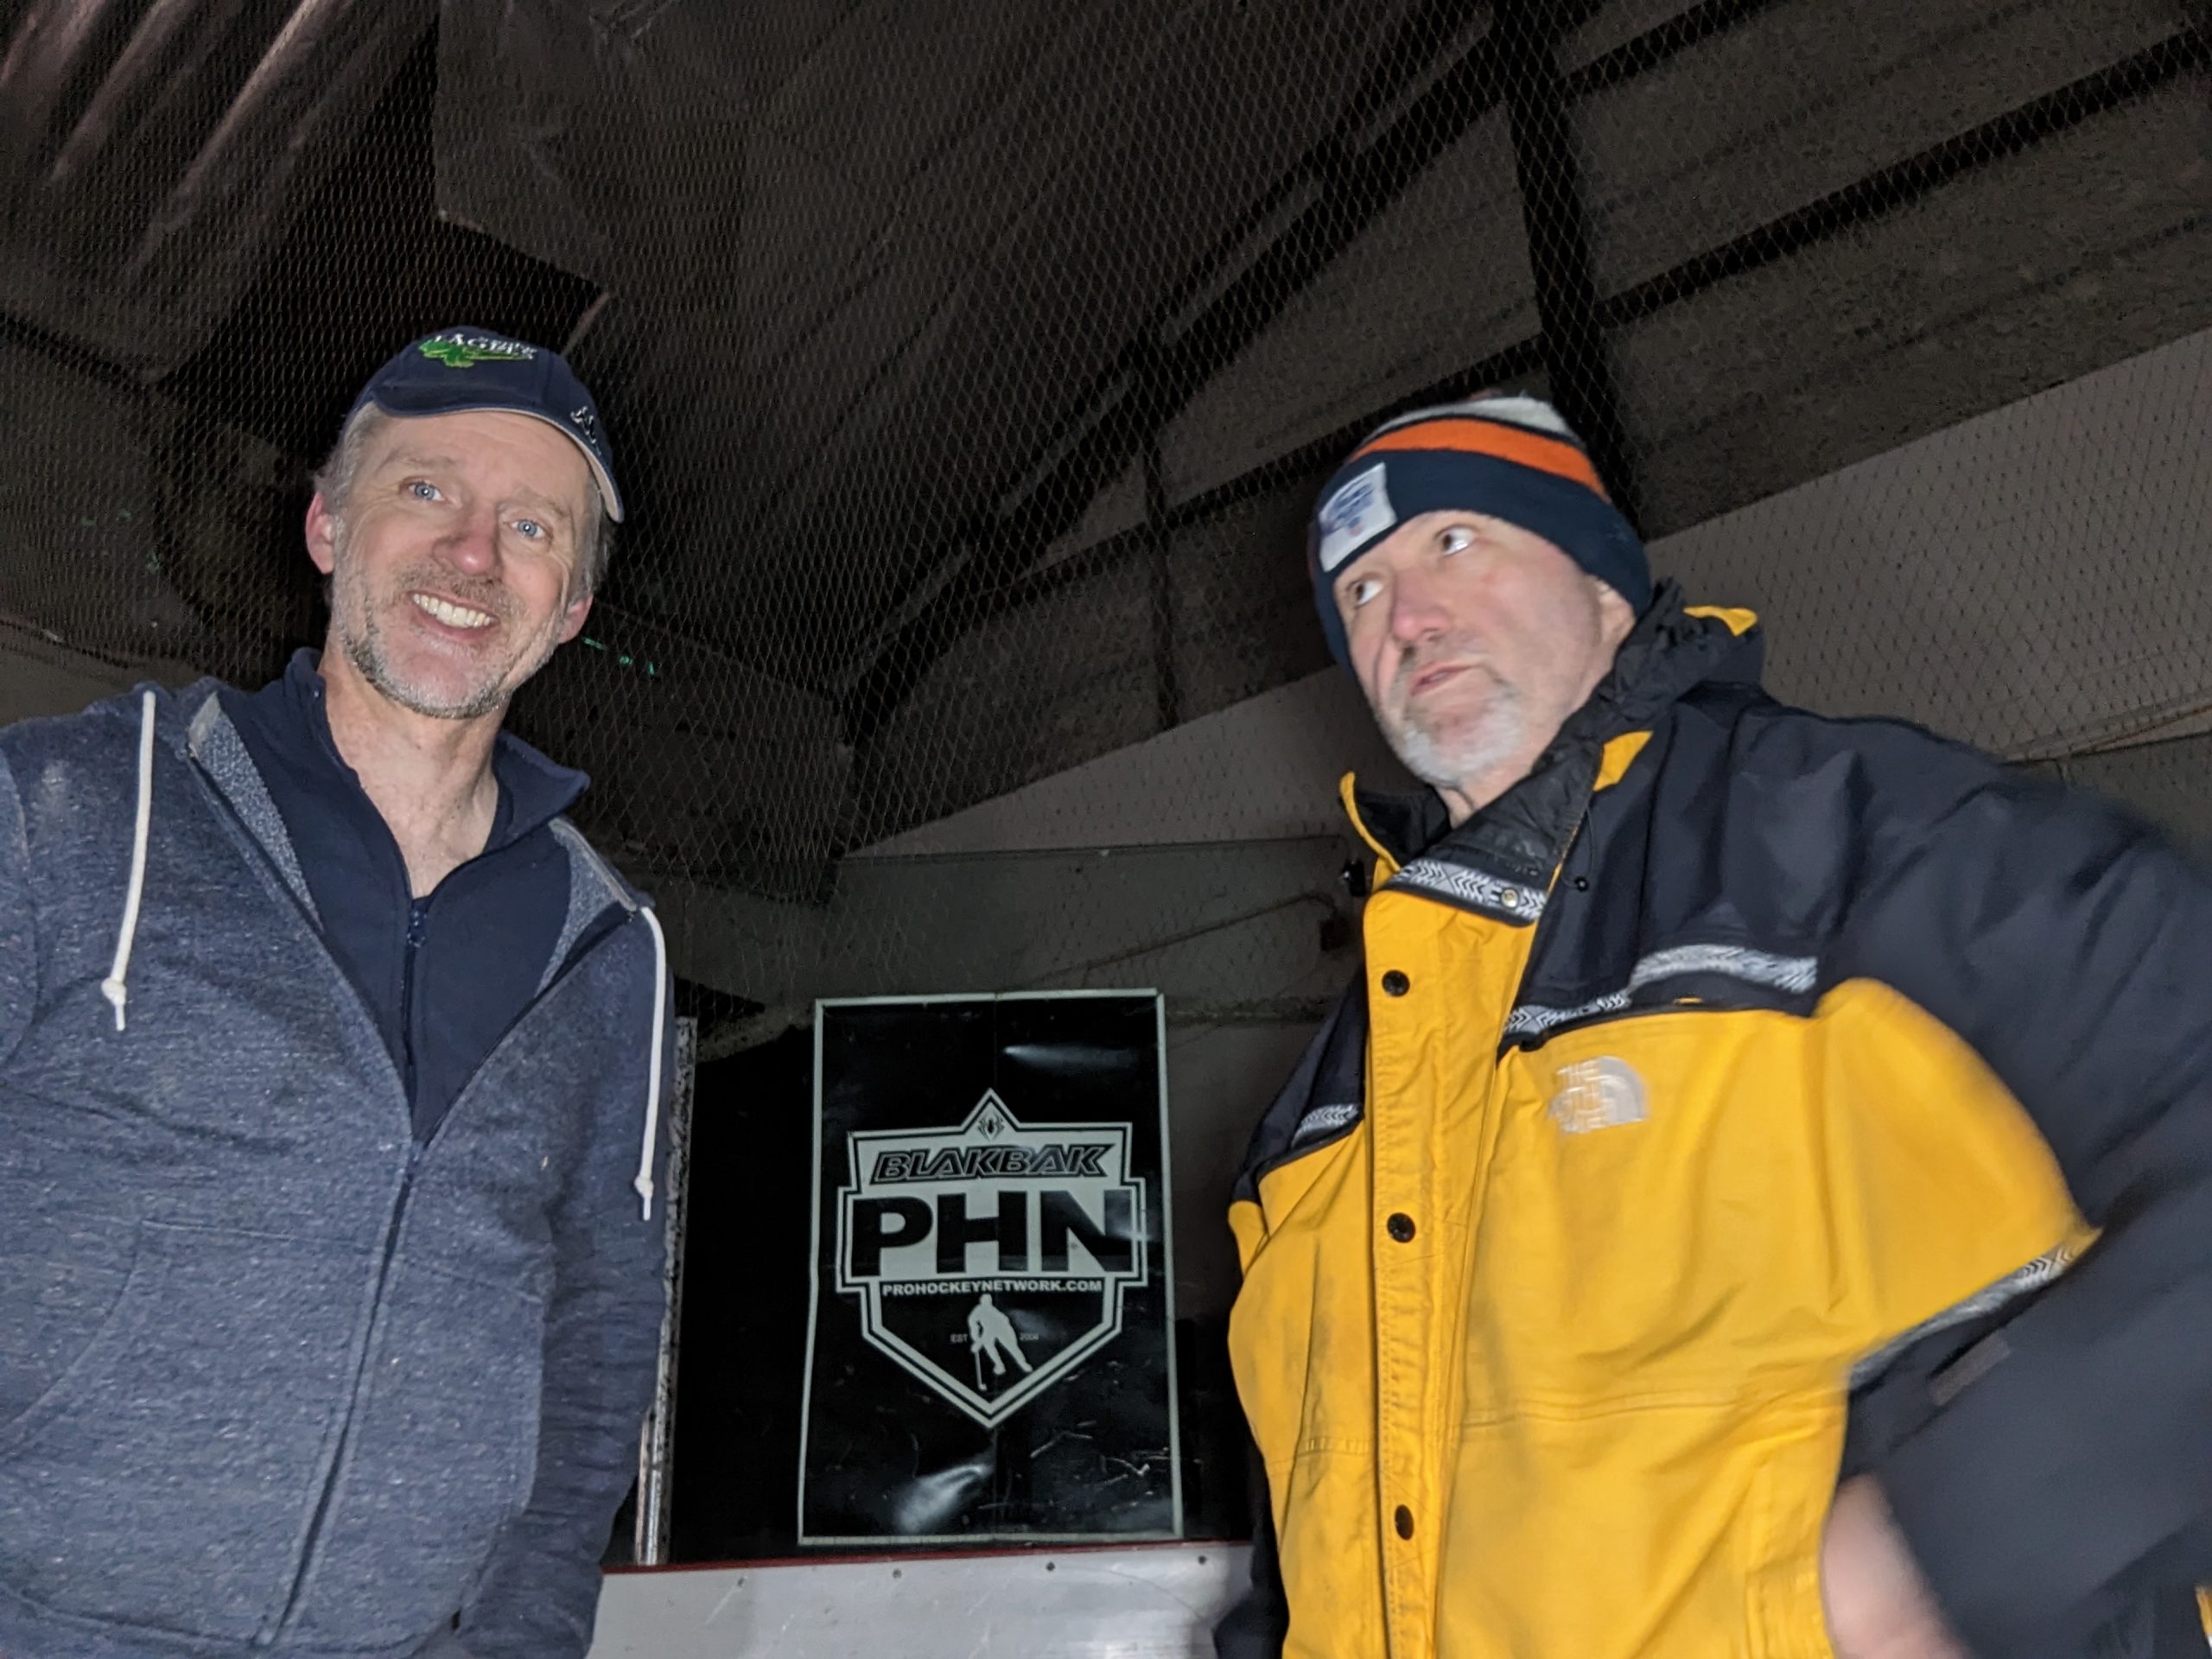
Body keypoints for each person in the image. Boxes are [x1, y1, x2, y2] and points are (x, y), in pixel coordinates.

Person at [1220, 393, 2212, 1657]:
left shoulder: (1860, 844)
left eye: (1453, 543)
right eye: (1359, 592)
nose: (1405, 616)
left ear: (1603, 585)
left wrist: (1961, 1546)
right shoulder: (1324, 1106)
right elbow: (1307, 1547)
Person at [0, 327, 673, 1659]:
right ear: (324, 525)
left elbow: (599, 1336)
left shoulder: (609, 948)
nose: (472, 554)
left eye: (531, 527)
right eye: (426, 489)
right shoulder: (71, 812)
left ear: (572, 608)